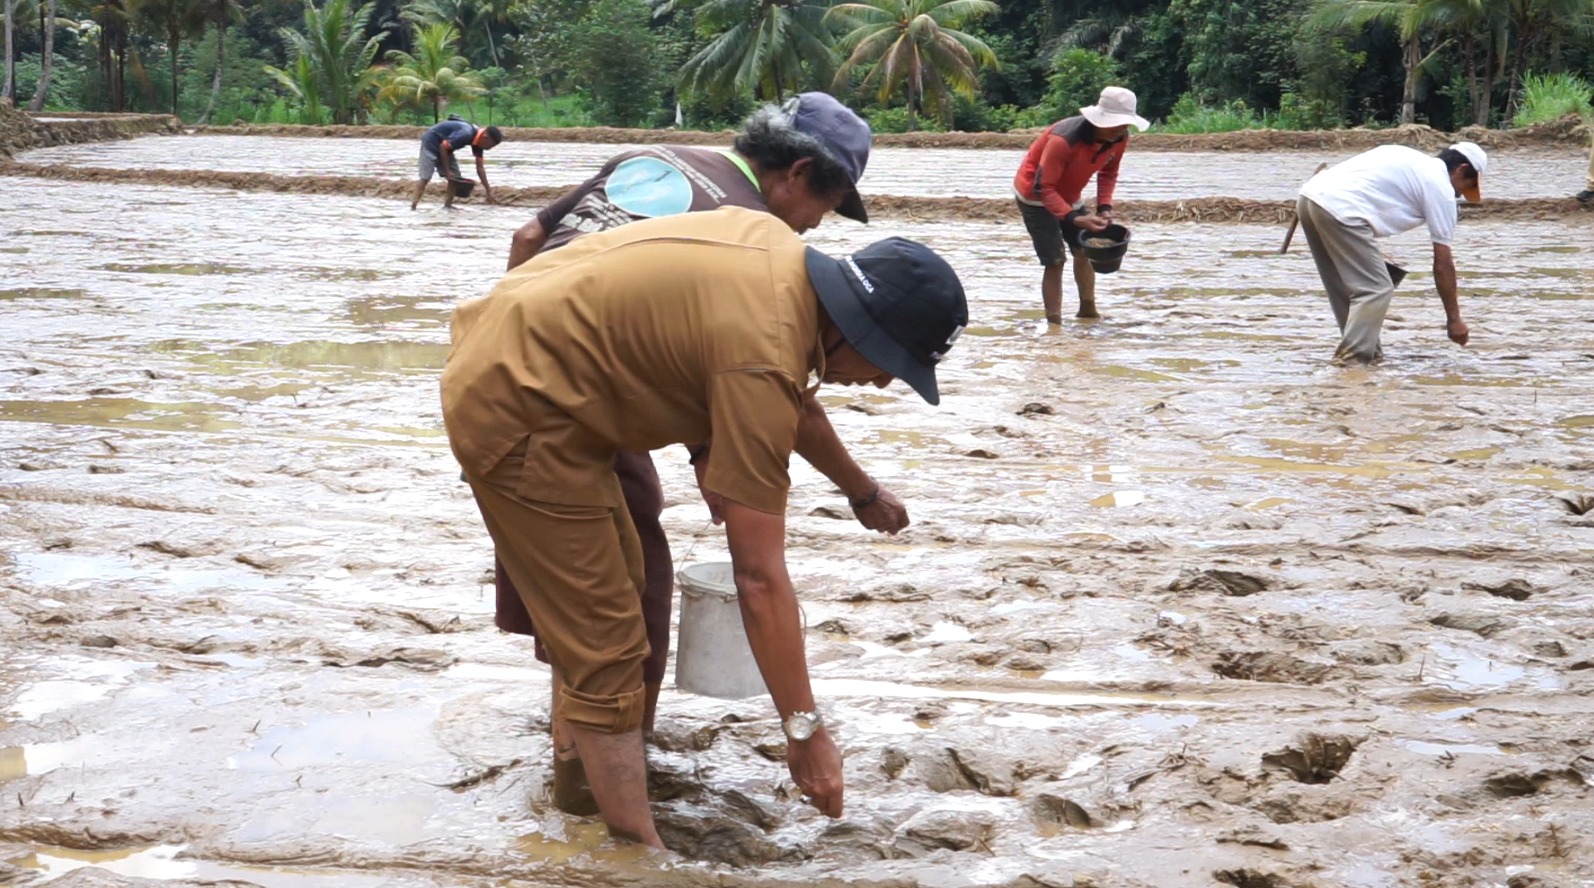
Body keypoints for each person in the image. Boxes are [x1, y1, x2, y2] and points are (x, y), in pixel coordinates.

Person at [442, 206, 969, 849]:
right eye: (892, 363)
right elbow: (757, 577)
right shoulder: (764, 358)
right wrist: (803, 730)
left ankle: (579, 788)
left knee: (621, 600)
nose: (885, 380)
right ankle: (638, 857)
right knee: (604, 643)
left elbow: (793, 396)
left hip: (531, 359)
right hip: (513, 403)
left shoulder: (781, 262)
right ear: (858, 328)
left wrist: (861, 491)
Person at [499, 93, 907, 816]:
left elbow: (531, 238)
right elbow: (757, 374)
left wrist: (856, 489)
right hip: (562, 394)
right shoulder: (746, 234)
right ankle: (592, 800)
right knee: (626, 615)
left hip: (522, 364)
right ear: (797, 174)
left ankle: (587, 764)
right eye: (825, 206)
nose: (815, 227)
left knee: (591, 591)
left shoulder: (659, 159)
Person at [1296, 141, 1485, 363]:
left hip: (1309, 198)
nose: (1460, 195)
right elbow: (1443, 263)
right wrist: (1454, 320)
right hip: (1341, 211)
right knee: (1377, 288)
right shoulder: (1441, 187)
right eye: (1465, 186)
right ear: (1461, 169)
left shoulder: (1406, 156)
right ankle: (1351, 362)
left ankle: (1371, 354)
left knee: (1347, 288)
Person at [1013, 86, 1148, 323]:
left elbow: (1109, 172)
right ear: (1099, 120)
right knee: (1055, 260)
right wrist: (1073, 217)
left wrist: (1105, 207)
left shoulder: (1119, 137)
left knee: (1084, 249)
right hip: (1034, 197)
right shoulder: (1064, 140)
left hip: (1069, 194)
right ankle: (1054, 323)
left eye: (1124, 125)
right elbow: (1043, 187)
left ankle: (1088, 309)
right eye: (1116, 124)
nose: (1120, 130)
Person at [411, 117, 502, 210]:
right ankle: (413, 206)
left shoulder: (478, 143)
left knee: (454, 178)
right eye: (490, 145)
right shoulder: (466, 134)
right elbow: (443, 147)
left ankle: (448, 206)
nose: (489, 148)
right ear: (485, 137)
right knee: (425, 177)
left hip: (445, 148)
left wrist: (488, 190)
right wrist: (447, 171)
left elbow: (480, 168)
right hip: (431, 142)